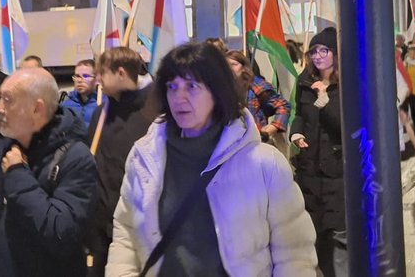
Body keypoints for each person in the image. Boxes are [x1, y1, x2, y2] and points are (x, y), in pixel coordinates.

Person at [106, 42, 317, 276]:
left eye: (192, 86)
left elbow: (295, 255)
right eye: (172, 87)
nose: (179, 97)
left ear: (217, 92)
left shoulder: (264, 164)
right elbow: (125, 236)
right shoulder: (145, 158)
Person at [0, 67, 98, 276]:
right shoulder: (4, 147)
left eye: (7, 100)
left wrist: (17, 175)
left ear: (37, 109)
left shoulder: (75, 158)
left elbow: (62, 234)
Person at [86, 47, 158, 276]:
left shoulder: (153, 113)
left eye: (102, 72)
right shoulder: (101, 113)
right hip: (102, 224)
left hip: (138, 221)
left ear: (120, 73)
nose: (98, 79)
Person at [289, 28, 345, 276]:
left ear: (335, 53)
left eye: (324, 50)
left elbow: (346, 128)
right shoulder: (305, 81)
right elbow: (300, 115)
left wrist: (326, 103)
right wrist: (296, 133)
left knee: (338, 236)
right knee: (315, 233)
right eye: (314, 51)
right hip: (309, 170)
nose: (319, 56)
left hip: (336, 171)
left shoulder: (346, 85)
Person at [225, 50, 290, 143]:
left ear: (243, 67)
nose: (230, 68)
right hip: (230, 141)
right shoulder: (221, 87)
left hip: (255, 140)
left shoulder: (255, 84)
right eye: (227, 65)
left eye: (234, 64)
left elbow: (283, 105)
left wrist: (274, 127)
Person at [60, 59, 99, 126]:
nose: (80, 80)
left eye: (85, 76)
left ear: (97, 79)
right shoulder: (66, 105)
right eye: (77, 76)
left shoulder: (103, 103)